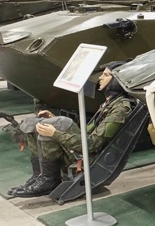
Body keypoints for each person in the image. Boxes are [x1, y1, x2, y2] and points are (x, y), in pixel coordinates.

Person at [7, 61, 135, 198]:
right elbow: (88, 131)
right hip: (81, 149)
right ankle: (40, 175)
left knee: (62, 122)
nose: (100, 78)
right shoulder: (111, 102)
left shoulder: (120, 109)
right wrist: (54, 120)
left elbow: (93, 144)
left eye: (106, 75)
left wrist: (55, 133)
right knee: (31, 122)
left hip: (89, 157)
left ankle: (50, 180)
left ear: (117, 81)